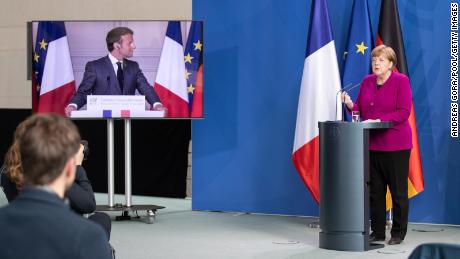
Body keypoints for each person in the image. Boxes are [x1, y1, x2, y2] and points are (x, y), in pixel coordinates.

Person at [0, 114, 112, 259]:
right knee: (102, 220)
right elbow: (88, 204)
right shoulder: (89, 237)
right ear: (69, 169)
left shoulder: (7, 172)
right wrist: (78, 166)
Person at [342, 45, 412, 245]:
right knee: (375, 192)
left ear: (391, 64)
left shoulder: (401, 81)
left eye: (381, 60)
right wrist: (349, 104)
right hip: (372, 145)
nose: (376, 63)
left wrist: (380, 119)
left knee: (398, 192)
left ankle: (398, 233)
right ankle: (378, 232)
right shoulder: (367, 81)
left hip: (396, 145)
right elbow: (360, 110)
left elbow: (403, 112)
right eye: (374, 60)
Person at [65, 27, 164, 117]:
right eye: (130, 43)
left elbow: (146, 88)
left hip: (128, 122)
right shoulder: (94, 67)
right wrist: (73, 106)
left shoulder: (134, 66)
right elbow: (83, 92)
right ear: (117, 46)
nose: (134, 46)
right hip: (103, 122)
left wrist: (157, 104)